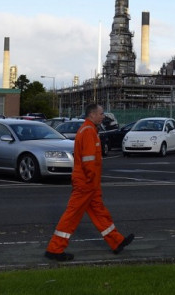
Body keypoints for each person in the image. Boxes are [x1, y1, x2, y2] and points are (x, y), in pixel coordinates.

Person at [45, 104, 134, 261]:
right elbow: (88, 160)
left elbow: (89, 160)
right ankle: (55, 249)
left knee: (99, 212)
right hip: (86, 182)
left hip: (89, 182)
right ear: (92, 115)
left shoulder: (90, 130)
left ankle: (116, 241)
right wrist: (92, 180)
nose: (103, 116)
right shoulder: (88, 131)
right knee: (72, 216)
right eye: (101, 114)